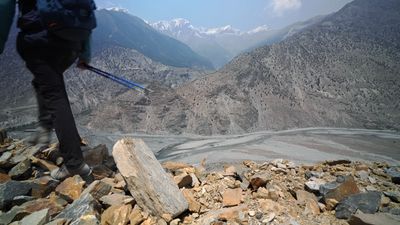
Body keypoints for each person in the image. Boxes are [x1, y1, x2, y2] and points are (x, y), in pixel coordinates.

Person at [0, 0, 93, 181]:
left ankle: (74, 164)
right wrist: (84, 52)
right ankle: (45, 127)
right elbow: (84, 10)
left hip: (42, 39)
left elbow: (5, 4)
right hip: (72, 41)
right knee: (45, 83)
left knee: (54, 94)